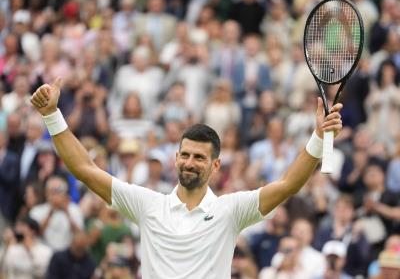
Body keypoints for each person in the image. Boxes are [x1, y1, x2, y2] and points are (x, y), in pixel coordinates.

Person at [30, 78, 343, 278]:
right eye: (186, 155)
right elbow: (85, 169)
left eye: (200, 157)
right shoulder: (147, 204)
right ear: (175, 158)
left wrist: (318, 136)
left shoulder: (230, 210)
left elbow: (289, 184)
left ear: (215, 166)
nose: (190, 162)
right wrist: (51, 115)